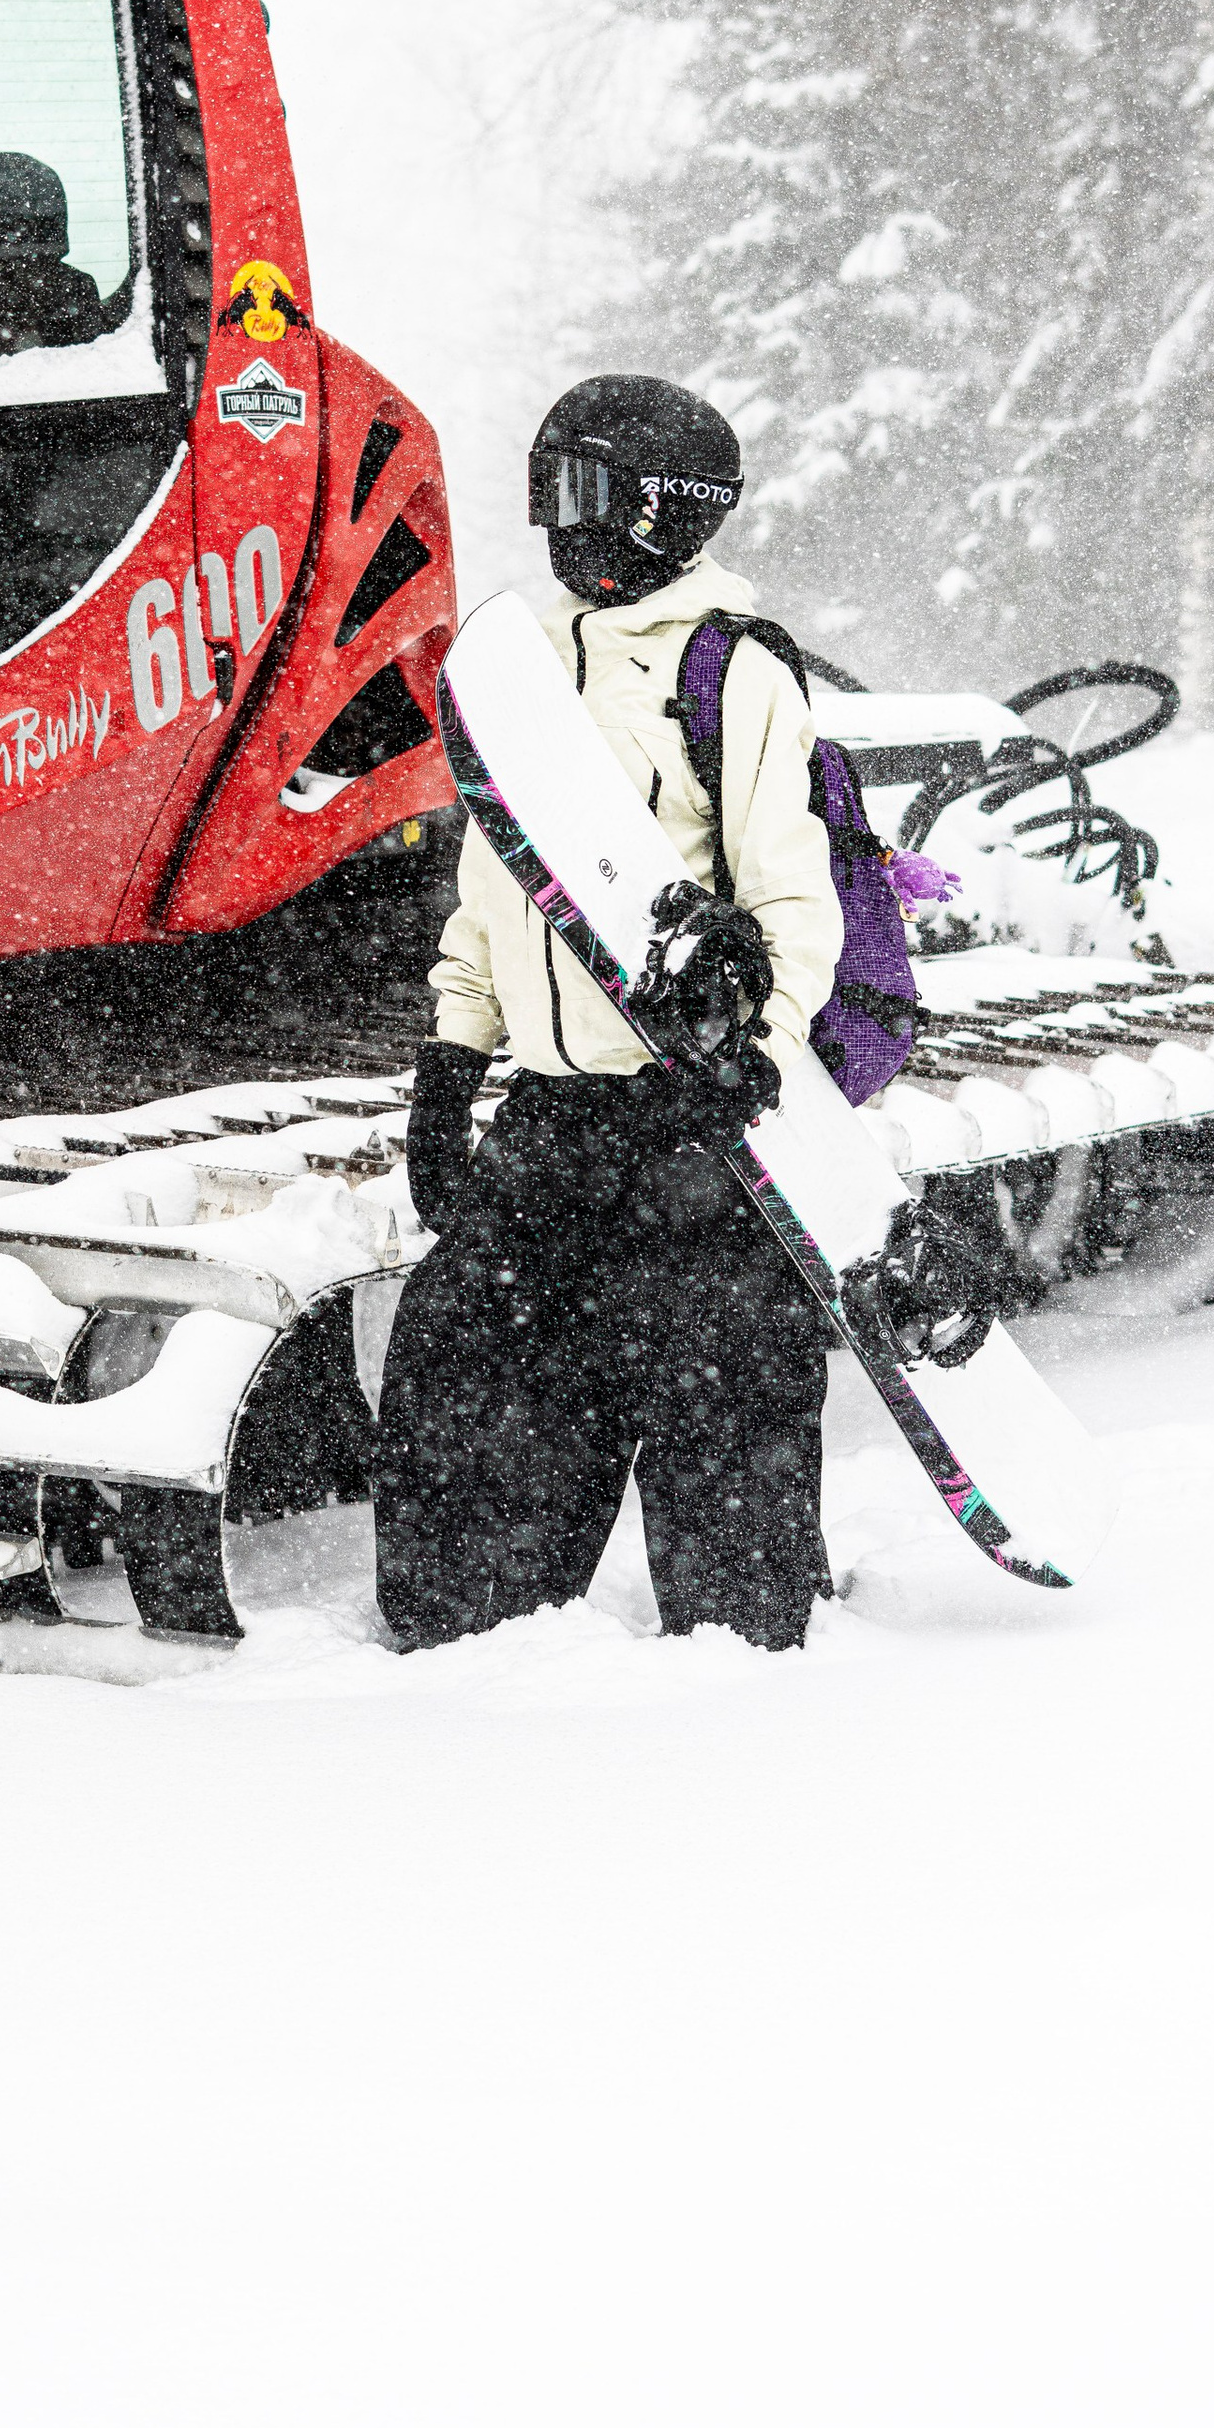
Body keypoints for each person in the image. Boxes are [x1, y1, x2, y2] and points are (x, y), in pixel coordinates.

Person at [373, 375, 843, 1655]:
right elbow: (490, 896)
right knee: (468, 1363)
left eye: (577, 492)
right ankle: (466, 1638)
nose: (554, 526)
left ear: (657, 509)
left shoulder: (727, 669)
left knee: (717, 1394)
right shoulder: (521, 670)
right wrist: (449, 1060)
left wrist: (749, 1058)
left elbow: (795, 900)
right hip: (551, 1119)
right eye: (541, 490)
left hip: (689, 1119)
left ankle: (737, 1663)